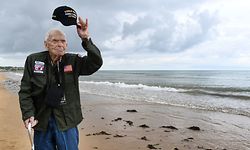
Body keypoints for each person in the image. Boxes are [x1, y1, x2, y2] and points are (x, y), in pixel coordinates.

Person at [18, 17, 103, 150]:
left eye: (63, 41)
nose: (60, 44)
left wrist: (85, 39)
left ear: (67, 45)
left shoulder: (73, 61)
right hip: (41, 120)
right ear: (46, 44)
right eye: (55, 41)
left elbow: (96, 62)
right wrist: (28, 113)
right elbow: (25, 90)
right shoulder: (33, 60)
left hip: (66, 121)